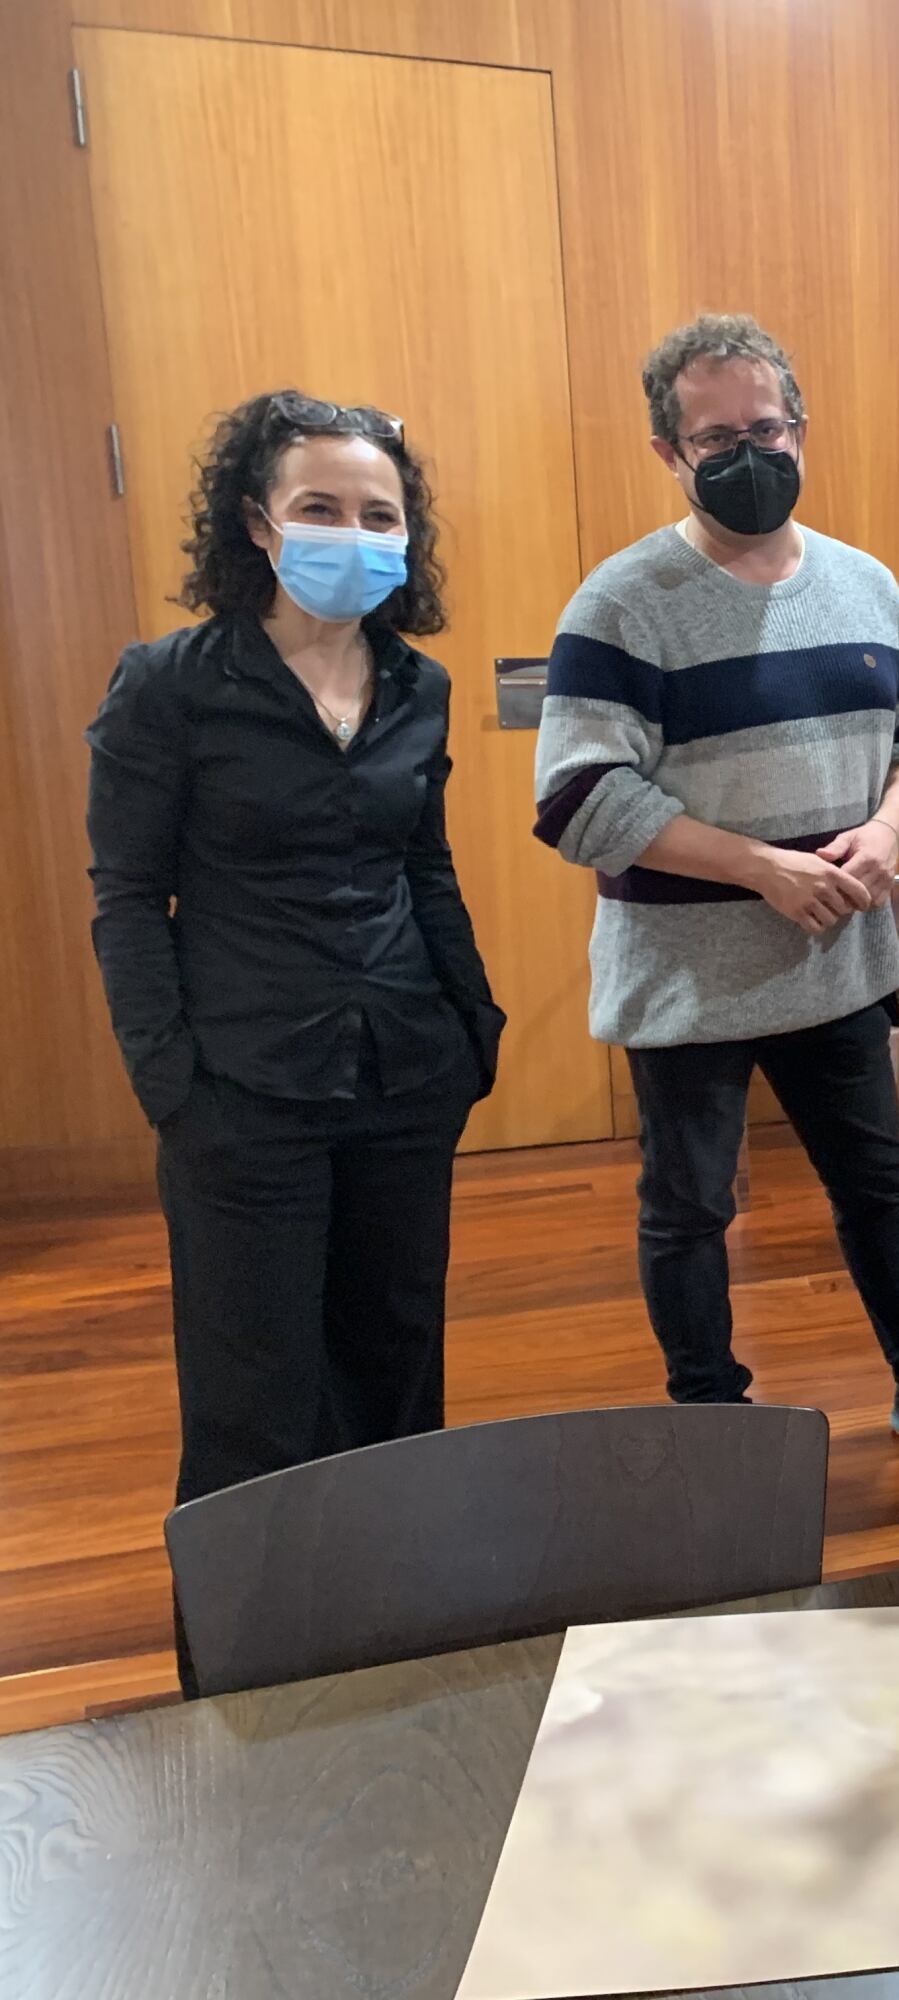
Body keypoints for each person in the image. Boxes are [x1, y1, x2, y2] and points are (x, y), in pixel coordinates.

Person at [533, 314, 899, 1446]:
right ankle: (710, 1421)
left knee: (878, 1186)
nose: (748, 454)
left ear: (801, 431)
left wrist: (887, 829)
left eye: (765, 429)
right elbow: (577, 799)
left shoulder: (865, 586)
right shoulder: (620, 604)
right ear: (667, 453)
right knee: (689, 1210)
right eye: (715, 439)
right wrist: (756, 867)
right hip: (687, 979)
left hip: (837, 962)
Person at [87, 391, 504, 1511]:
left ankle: (397, 1608)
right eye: (319, 507)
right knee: (254, 1395)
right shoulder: (169, 686)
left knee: (397, 1367)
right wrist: (169, 1082)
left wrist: (475, 1028)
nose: (352, 533)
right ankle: (249, 1629)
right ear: (257, 522)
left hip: (405, 1074)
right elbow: (128, 895)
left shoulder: (418, 685)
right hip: (241, 1088)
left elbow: (425, 866)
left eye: (379, 514)